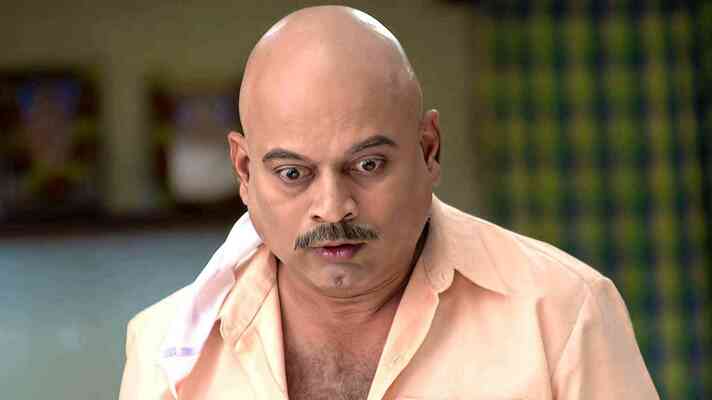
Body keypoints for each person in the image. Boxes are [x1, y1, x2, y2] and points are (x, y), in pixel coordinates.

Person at [119, 6, 659, 400]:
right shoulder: (165, 352)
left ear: (429, 150)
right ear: (244, 170)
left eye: (367, 165)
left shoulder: (562, 314)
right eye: (293, 174)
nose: (333, 208)